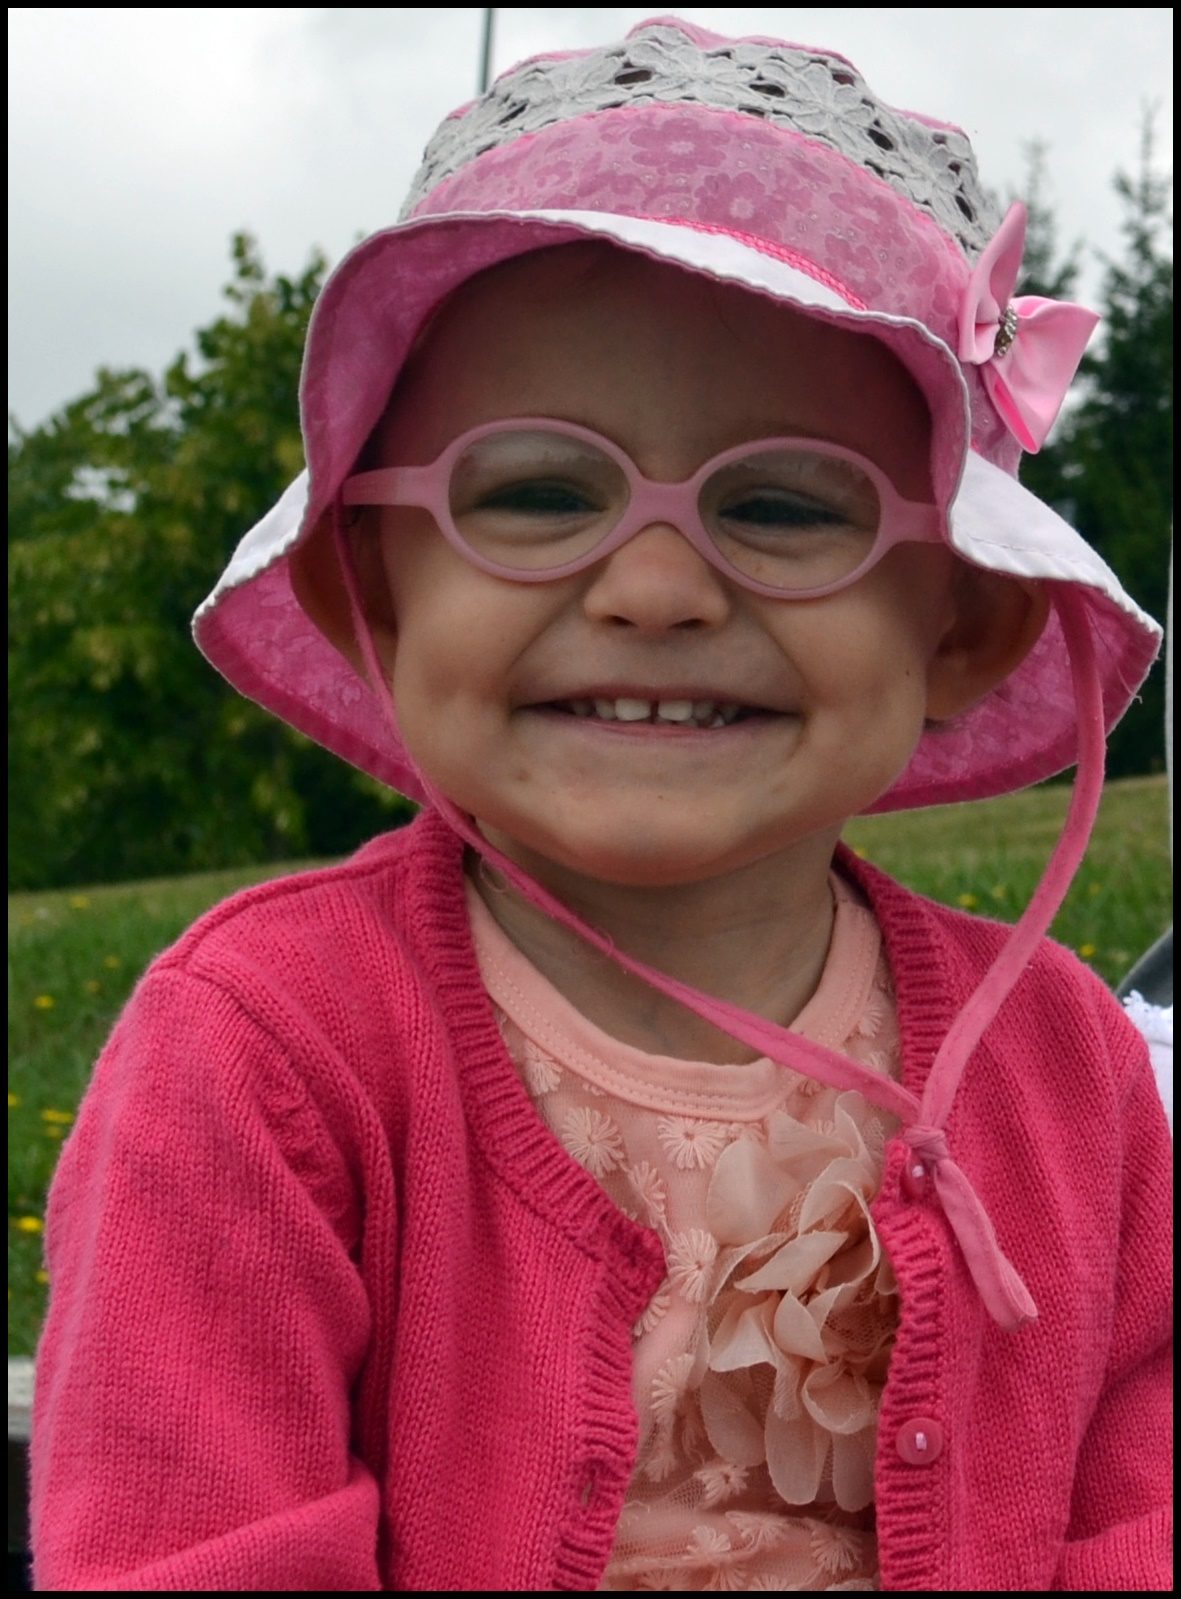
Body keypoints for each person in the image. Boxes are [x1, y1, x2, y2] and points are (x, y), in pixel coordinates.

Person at [30, 15, 1171, 1592]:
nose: (650, 588)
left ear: (963, 621)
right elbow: (195, 1546)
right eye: (535, 493)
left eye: (782, 506)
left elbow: (1137, 1497)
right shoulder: (263, 1052)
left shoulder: (1063, 1061)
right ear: (376, 590)